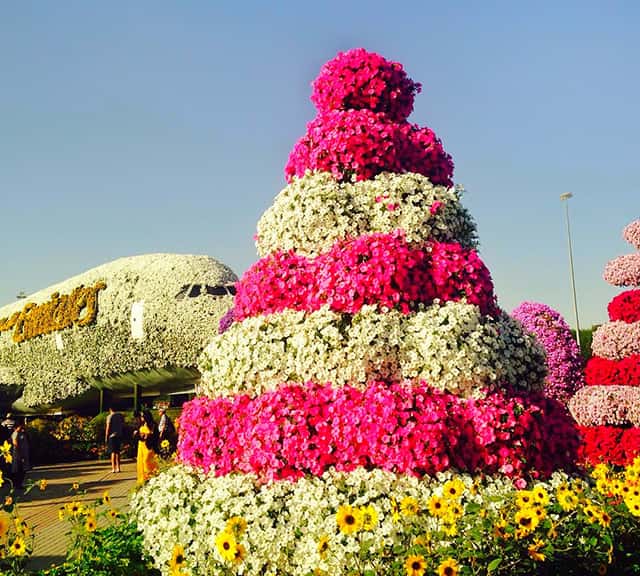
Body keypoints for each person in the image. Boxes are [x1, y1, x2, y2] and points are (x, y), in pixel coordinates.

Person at [136, 410, 159, 485]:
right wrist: (138, 434)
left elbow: (155, 435)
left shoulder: (153, 425)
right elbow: (137, 433)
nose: (141, 417)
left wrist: (147, 435)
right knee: (141, 462)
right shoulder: (141, 424)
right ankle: (143, 479)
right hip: (141, 446)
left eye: (143, 416)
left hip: (148, 446)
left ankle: (150, 476)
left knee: (147, 461)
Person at [105, 406, 125, 473]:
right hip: (119, 435)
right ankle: (118, 468)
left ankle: (113, 468)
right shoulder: (120, 416)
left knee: (113, 452)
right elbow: (123, 425)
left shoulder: (109, 416)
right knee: (118, 452)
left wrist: (106, 436)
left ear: (110, 409)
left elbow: (108, 427)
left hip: (112, 435)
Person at [10, 420, 29, 490]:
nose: (23, 427)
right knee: (18, 470)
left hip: (23, 455)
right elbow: (15, 444)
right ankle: (17, 485)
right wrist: (21, 456)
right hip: (18, 455)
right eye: (21, 426)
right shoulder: (16, 434)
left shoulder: (22, 433)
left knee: (22, 470)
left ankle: (19, 484)